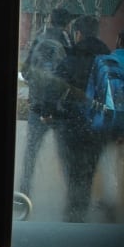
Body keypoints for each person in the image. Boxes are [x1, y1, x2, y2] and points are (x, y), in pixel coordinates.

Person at [50, 14, 111, 222]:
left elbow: (55, 88)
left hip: (72, 124)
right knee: (88, 170)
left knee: (72, 170)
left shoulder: (72, 57)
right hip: (99, 126)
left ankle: (74, 212)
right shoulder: (106, 58)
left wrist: (48, 111)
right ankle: (81, 206)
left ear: (78, 34)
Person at [19, 7, 73, 196]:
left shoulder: (39, 40)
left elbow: (25, 72)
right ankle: (72, 194)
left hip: (37, 105)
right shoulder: (68, 43)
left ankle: (24, 192)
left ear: (50, 20)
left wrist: (36, 86)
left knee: (31, 152)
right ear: (67, 23)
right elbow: (70, 76)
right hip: (59, 108)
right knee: (65, 154)